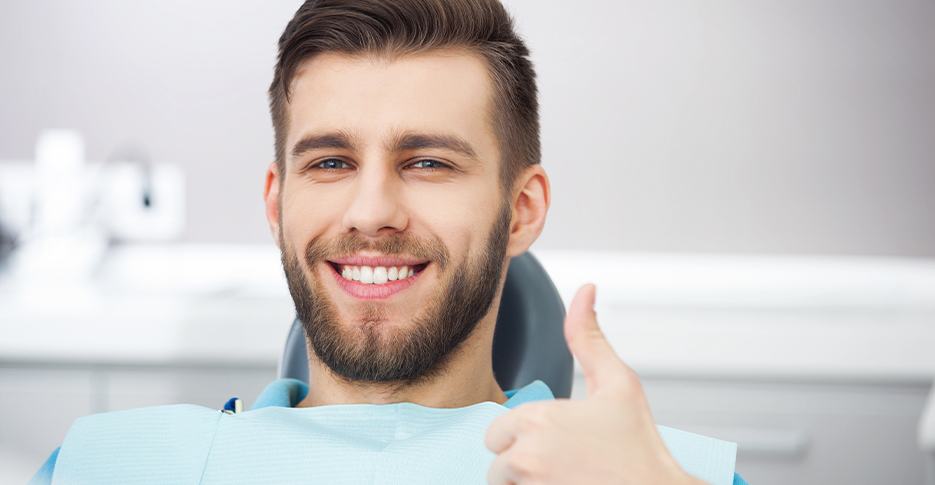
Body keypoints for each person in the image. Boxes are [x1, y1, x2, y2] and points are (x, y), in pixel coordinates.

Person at [31, 1, 747, 483]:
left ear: (522, 209)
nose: (372, 211)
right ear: (278, 204)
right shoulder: (109, 464)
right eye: (331, 162)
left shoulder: (653, 472)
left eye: (427, 162)